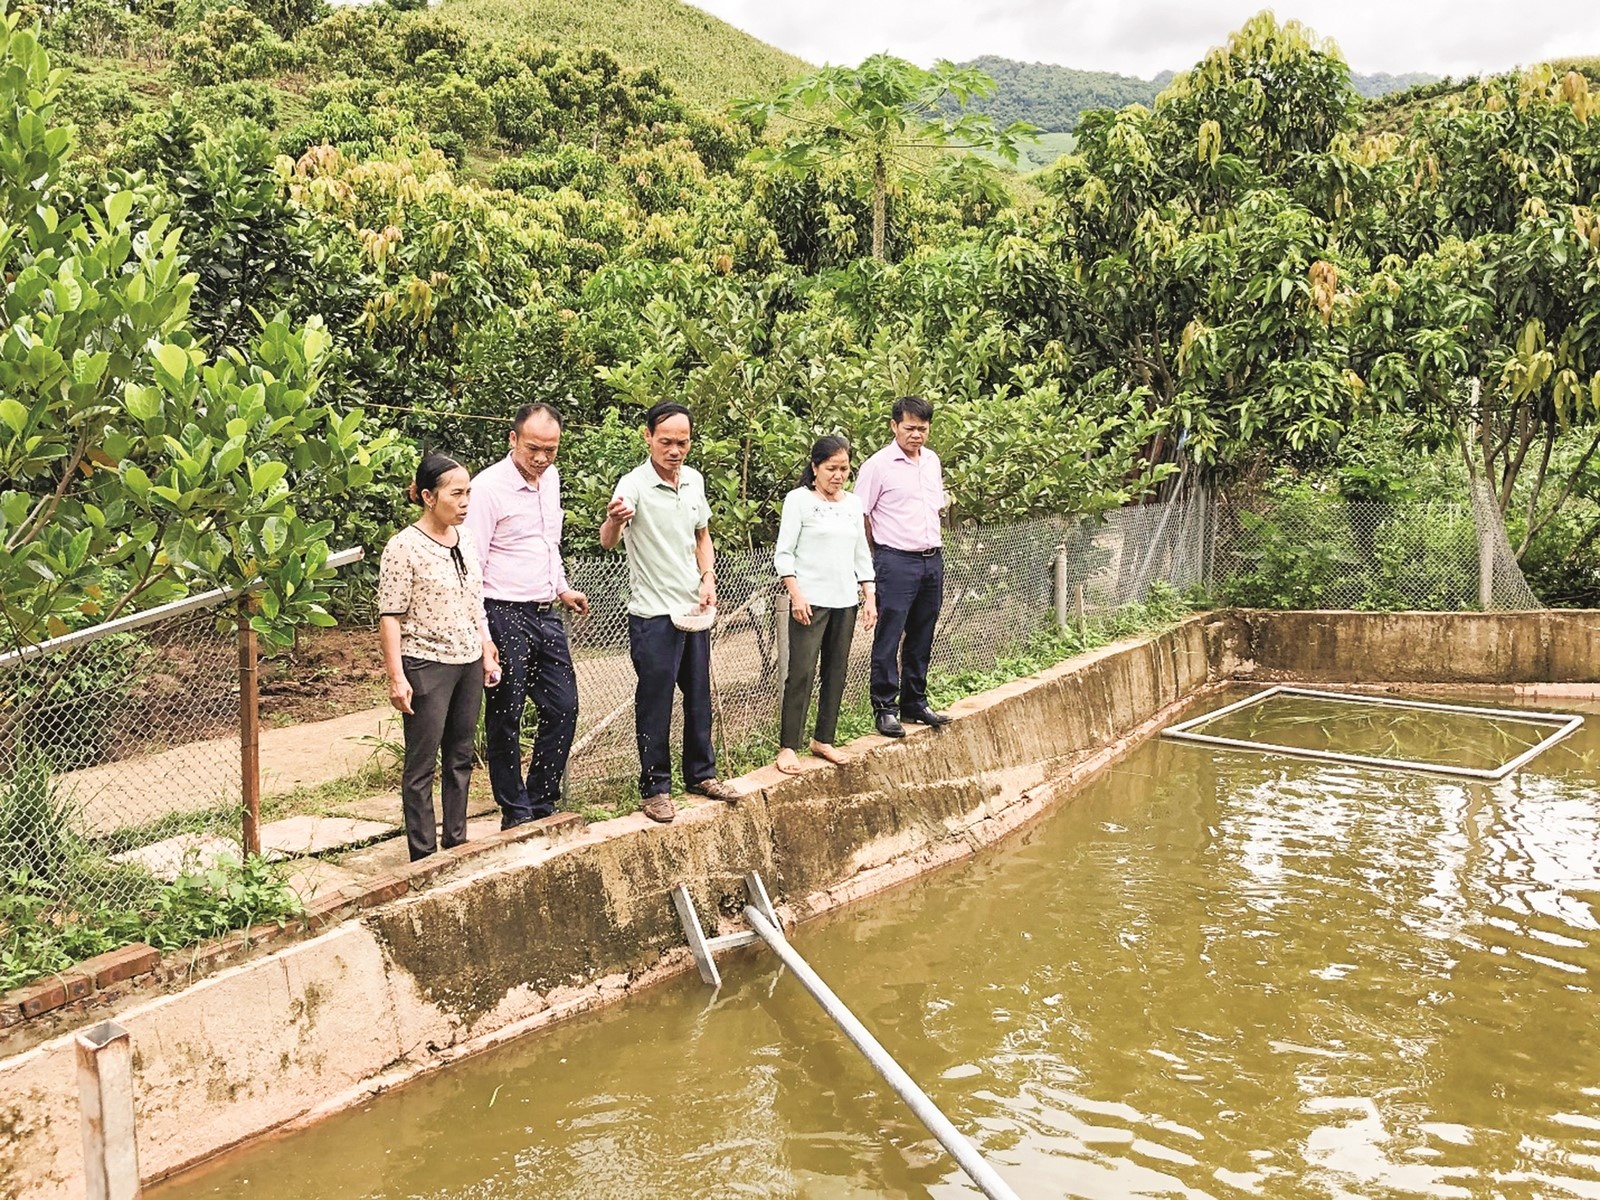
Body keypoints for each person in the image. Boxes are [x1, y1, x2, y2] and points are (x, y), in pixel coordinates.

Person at [600, 401, 740, 822]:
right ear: (647, 437)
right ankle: (655, 788)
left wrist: (708, 577)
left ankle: (701, 774)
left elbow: (703, 535)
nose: (674, 450)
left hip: (693, 610)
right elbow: (609, 540)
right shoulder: (633, 485)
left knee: (699, 697)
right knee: (655, 702)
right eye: (666, 441)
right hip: (652, 615)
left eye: (682, 442)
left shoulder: (694, 481)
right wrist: (612, 519)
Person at [464, 403, 588, 829]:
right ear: (513, 439)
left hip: (545, 610)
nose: (541, 458)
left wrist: (562, 588)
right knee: (507, 713)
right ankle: (514, 811)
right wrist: (484, 636)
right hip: (502, 612)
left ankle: (541, 800)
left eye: (550, 450)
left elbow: (547, 543)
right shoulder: (486, 489)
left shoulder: (550, 479)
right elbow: (472, 566)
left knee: (564, 707)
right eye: (533, 448)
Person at [377, 453, 500, 860]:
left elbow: (473, 601)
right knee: (421, 765)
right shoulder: (403, 547)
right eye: (457, 493)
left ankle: (457, 840)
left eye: (469, 493)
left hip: (466, 660)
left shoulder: (465, 540)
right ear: (429, 496)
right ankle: (423, 854)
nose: (465, 502)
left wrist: (485, 648)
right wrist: (397, 677)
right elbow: (390, 616)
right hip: (426, 663)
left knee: (460, 757)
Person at [772, 436, 877, 774]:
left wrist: (869, 594)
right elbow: (784, 552)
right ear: (815, 467)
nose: (838, 475)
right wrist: (796, 594)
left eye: (844, 468)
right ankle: (789, 746)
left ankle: (824, 739)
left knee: (836, 672)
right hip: (810, 600)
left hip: (845, 600)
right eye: (831, 468)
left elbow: (861, 553)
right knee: (801, 672)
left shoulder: (852, 504)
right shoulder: (799, 501)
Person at [855, 395, 953, 739]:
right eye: (910, 428)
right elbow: (861, 514)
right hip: (895, 560)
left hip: (931, 559)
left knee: (922, 632)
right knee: (889, 634)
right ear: (894, 425)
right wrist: (874, 558)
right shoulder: (877, 466)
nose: (917, 435)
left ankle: (915, 701)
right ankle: (885, 707)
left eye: (923, 429)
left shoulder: (932, 461)